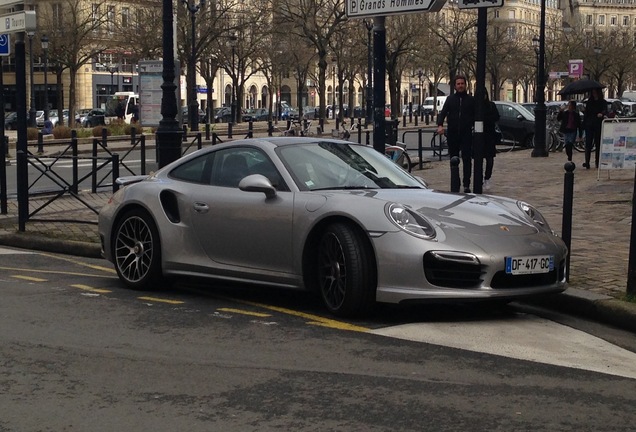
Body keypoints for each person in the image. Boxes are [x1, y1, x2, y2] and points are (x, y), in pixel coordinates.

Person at [436, 75, 475, 193]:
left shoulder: (471, 100)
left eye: (462, 83)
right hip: (453, 133)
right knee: (453, 159)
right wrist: (440, 125)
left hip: (466, 133)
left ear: (465, 85)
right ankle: (455, 183)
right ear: (455, 86)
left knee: (467, 159)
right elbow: (443, 113)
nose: (460, 86)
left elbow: (476, 115)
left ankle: (466, 184)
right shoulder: (450, 99)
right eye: (458, 84)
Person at [583, 88, 606, 169]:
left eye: (595, 92)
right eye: (593, 93)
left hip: (598, 124)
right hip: (589, 124)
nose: (594, 94)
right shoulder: (589, 102)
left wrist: (602, 113)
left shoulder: (602, 102)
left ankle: (597, 162)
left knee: (598, 143)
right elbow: (586, 114)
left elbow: (605, 110)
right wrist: (584, 124)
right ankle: (587, 162)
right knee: (588, 144)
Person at [482, 89, 499, 191]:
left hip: (489, 135)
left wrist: (486, 119)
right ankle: (479, 178)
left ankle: (487, 178)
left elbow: (497, 117)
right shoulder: (476, 106)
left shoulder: (491, 105)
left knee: (489, 159)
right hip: (478, 136)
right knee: (478, 159)